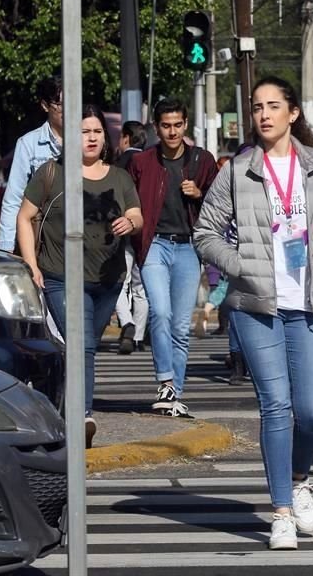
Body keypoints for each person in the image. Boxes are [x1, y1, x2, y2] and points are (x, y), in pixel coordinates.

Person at [194, 76, 313, 550]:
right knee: (277, 407)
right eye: (257, 107)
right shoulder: (236, 170)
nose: (264, 114)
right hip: (256, 305)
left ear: (293, 113)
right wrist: (241, 265)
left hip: (311, 303)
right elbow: (205, 232)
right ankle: (280, 512)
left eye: (273, 106)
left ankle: (300, 476)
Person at [16, 103, 142, 448]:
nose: (91, 138)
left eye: (97, 132)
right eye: (84, 131)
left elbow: (137, 213)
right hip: (59, 276)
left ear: (106, 138)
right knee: (82, 344)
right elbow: (23, 217)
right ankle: (82, 415)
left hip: (107, 279)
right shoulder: (50, 173)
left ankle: (57, 401)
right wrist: (32, 264)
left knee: (83, 347)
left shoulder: (119, 177)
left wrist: (130, 221)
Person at [127, 98, 218, 417]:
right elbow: (128, 199)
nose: (172, 131)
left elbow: (220, 205)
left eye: (178, 125)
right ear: (156, 127)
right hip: (155, 246)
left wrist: (200, 194)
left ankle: (174, 394)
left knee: (180, 325)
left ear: (186, 124)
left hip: (188, 248)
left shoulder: (202, 160)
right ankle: (165, 382)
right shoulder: (143, 163)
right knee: (160, 313)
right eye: (166, 125)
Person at [0, 75, 64, 252]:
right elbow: (13, 199)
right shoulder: (29, 144)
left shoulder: (86, 140)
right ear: (44, 105)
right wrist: (6, 247)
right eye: (59, 104)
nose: (67, 109)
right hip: (41, 241)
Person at [114, 120, 150, 354]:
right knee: (140, 287)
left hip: (123, 229)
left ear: (126, 138)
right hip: (148, 232)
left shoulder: (119, 166)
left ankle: (126, 322)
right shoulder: (151, 162)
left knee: (119, 281)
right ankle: (137, 337)